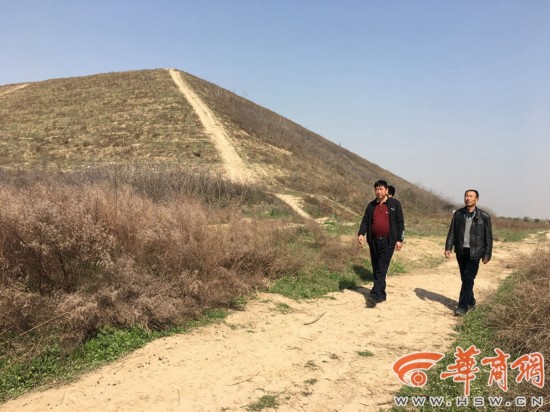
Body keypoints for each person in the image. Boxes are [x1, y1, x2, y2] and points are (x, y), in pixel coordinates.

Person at [445, 189, 493, 316]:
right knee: (465, 278)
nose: (468, 198)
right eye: (466, 196)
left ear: (477, 199)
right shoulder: (458, 214)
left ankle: (462, 307)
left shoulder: (484, 216)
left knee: (468, 278)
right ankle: (471, 301)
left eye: (471, 196)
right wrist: (448, 247)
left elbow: (488, 237)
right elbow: (452, 231)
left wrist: (487, 253)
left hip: (475, 252)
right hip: (461, 251)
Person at [357, 179, 405, 307]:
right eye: (376, 189)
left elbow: (400, 223)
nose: (378, 191)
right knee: (376, 267)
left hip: (388, 242)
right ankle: (382, 294)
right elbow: (365, 221)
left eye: (381, 189)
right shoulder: (371, 206)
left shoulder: (395, 204)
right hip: (373, 241)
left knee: (381, 268)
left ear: (386, 190)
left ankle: (374, 296)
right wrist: (361, 234)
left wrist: (399, 240)